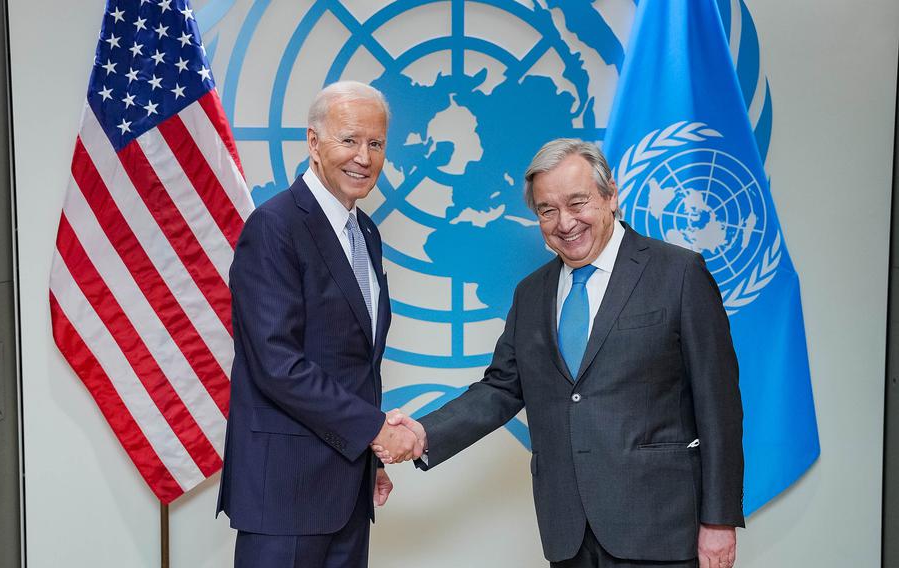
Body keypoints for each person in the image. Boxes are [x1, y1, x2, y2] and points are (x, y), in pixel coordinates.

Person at [379, 139, 744, 568]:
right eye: (547, 210)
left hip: (660, 527)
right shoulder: (532, 294)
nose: (564, 222)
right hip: (567, 533)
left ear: (611, 194)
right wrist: (422, 434)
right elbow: (499, 389)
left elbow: (719, 405)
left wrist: (718, 521)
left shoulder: (679, 273)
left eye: (577, 202)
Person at [217, 81, 421, 568]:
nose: (364, 157)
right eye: (349, 140)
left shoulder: (365, 232)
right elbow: (278, 364)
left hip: (346, 487)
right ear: (313, 142)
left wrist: (364, 454)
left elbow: (353, 362)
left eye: (376, 144)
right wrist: (375, 430)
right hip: (284, 494)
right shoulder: (275, 226)